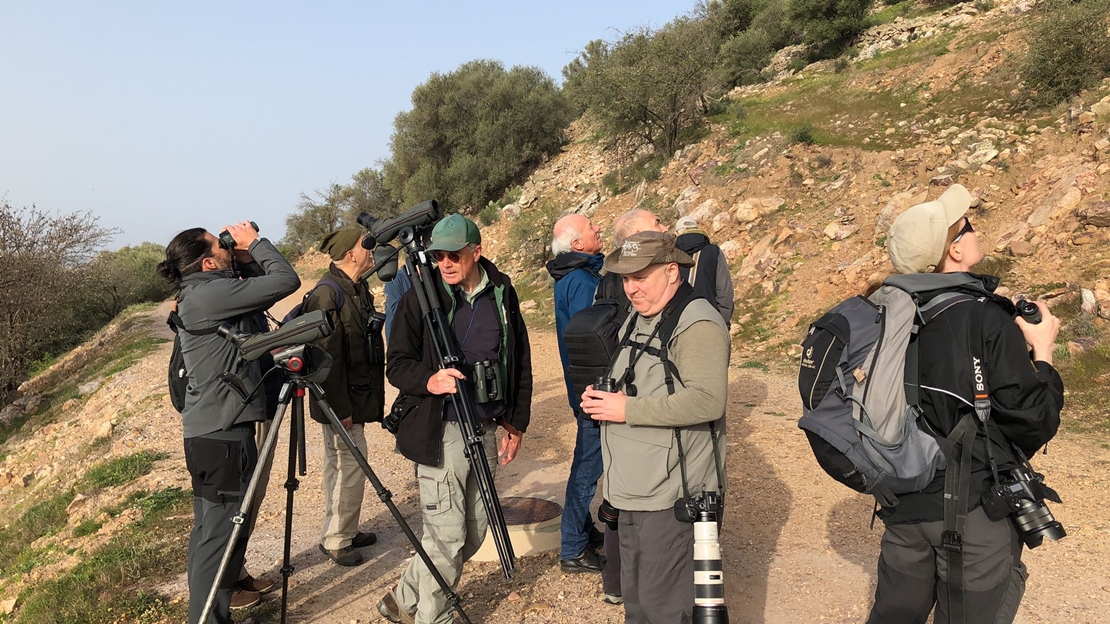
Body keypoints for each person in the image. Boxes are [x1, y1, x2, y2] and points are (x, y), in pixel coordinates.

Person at [867, 184, 1064, 624]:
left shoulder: (884, 313)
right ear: (953, 251)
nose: (975, 230)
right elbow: (1033, 421)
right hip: (973, 512)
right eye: (968, 226)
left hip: (903, 503)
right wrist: (1043, 353)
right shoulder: (983, 317)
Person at [377, 214, 532, 624]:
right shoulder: (420, 298)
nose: (445, 264)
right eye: (438, 256)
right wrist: (430, 380)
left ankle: (403, 597)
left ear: (476, 252)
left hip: (483, 427)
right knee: (446, 536)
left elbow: (519, 361)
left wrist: (515, 424)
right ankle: (435, 616)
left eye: (454, 256)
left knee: (476, 530)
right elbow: (397, 365)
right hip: (441, 429)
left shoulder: (502, 292)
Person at [580, 231, 729, 624]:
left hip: (670, 495)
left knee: (665, 606)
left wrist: (626, 409)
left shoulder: (697, 322)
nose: (631, 288)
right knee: (637, 603)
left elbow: (707, 400)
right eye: (625, 278)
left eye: (640, 277)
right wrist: (601, 398)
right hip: (631, 488)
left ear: (672, 271)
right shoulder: (642, 314)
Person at [156, 223, 301, 624]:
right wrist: (254, 243)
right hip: (225, 437)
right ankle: (205, 619)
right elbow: (286, 280)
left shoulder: (201, 293)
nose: (226, 249)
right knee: (217, 541)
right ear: (206, 261)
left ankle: (210, 614)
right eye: (218, 248)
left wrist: (240, 258)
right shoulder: (210, 294)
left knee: (208, 534)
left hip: (206, 435)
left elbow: (257, 297)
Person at [303, 228, 386, 566]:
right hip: (339, 401)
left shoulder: (355, 287)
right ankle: (338, 539)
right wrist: (339, 408)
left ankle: (343, 530)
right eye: (365, 245)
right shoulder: (328, 294)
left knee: (341, 466)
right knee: (350, 465)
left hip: (353, 396)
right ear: (351, 254)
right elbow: (326, 360)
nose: (371, 250)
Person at [545, 215, 608, 576]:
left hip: (580, 386)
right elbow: (593, 340)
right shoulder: (583, 280)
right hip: (593, 389)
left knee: (585, 460)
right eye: (591, 227)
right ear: (578, 245)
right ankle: (573, 547)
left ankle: (581, 530)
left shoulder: (569, 275)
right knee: (587, 465)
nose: (598, 228)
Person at [674, 216, 734, 328]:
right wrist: (723, 321)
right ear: (696, 229)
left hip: (676, 322)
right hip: (710, 319)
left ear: (677, 233)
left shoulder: (670, 254)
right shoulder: (713, 251)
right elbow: (724, 291)